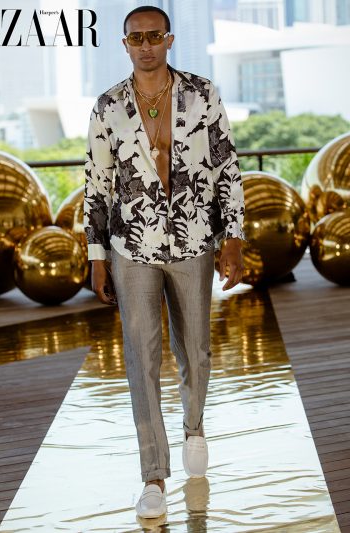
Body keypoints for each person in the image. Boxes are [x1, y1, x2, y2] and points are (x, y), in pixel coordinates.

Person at [83, 5, 246, 519]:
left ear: (169, 40)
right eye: (136, 38)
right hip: (131, 246)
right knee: (141, 358)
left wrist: (233, 236)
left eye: (154, 36)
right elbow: (96, 185)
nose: (146, 45)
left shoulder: (202, 94)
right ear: (125, 44)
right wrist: (96, 255)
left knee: (195, 349)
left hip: (194, 239)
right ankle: (153, 475)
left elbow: (227, 166)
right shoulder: (108, 106)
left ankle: (194, 427)